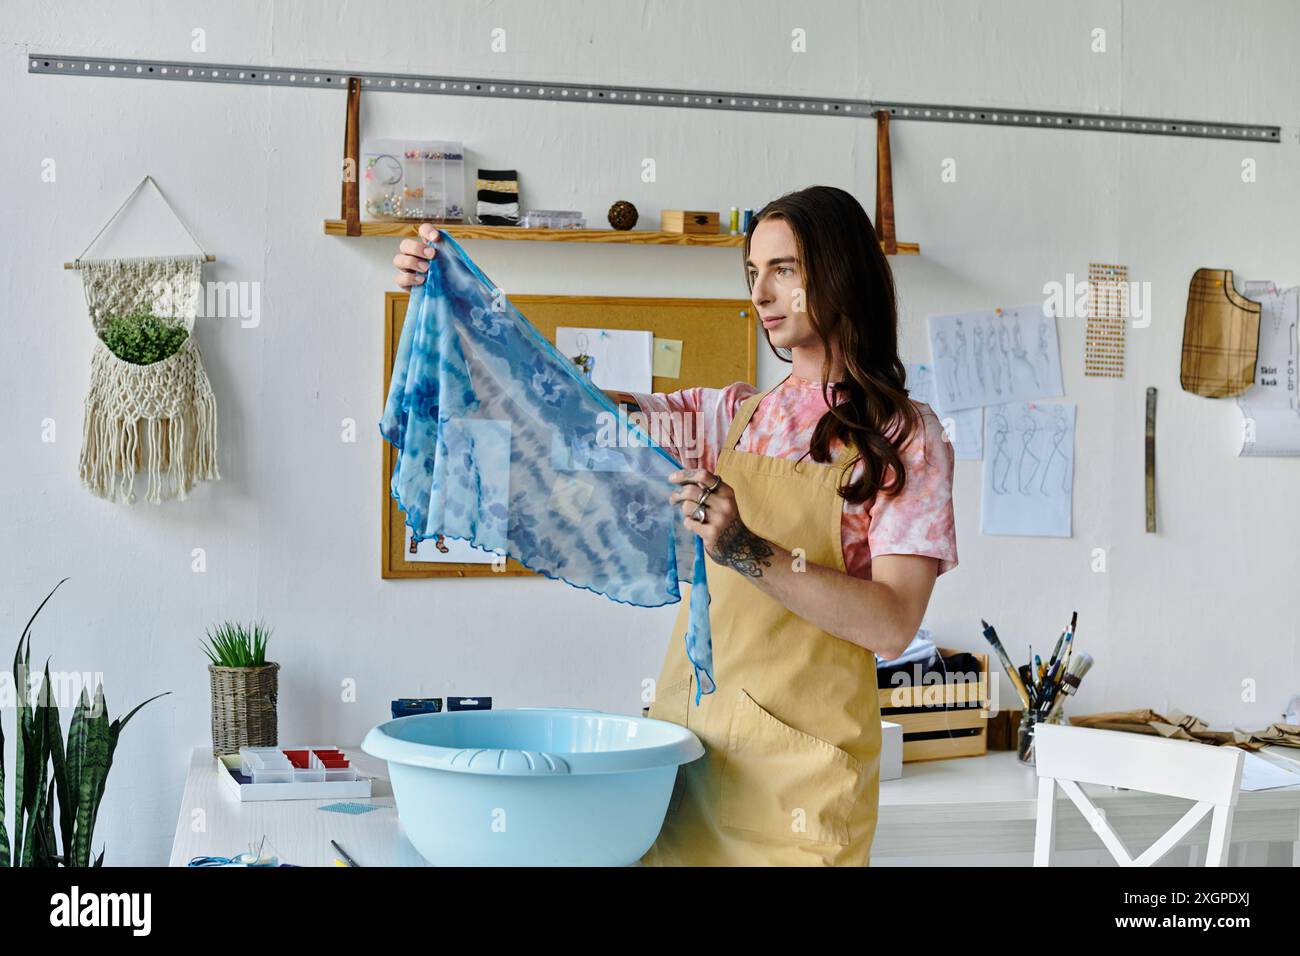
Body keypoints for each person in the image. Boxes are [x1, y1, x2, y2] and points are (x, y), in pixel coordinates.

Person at [392, 185, 957, 865]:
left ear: (840, 272)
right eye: (753, 272)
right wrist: (455, 304)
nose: (762, 293)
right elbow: (570, 411)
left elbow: (893, 623)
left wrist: (749, 551)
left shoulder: (904, 435)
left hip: (801, 783)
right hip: (691, 758)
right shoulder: (728, 417)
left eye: (785, 269)